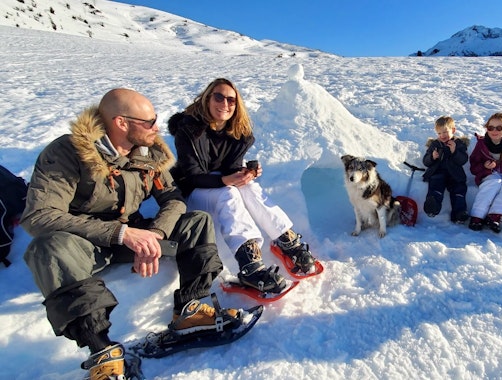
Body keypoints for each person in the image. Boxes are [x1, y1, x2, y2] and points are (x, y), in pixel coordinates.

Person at [21, 89, 242, 380]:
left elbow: (173, 199)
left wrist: (154, 233)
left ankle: (192, 309)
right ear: (121, 123)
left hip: (134, 233)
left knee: (196, 221)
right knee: (48, 248)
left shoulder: (148, 153)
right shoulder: (68, 151)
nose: (156, 128)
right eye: (149, 122)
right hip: (83, 244)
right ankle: (101, 350)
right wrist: (121, 234)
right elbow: (39, 217)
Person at [167, 78, 317, 294]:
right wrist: (224, 181)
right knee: (228, 193)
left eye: (231, 100)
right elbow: (191, 176)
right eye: (218, 97)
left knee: (250, 188)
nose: (225, 104)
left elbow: (230, 168)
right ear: (207, 98)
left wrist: (247, 173)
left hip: (217, 185)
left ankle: (287, 242)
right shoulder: (189, 130)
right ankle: (250, 267)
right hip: (193, 193)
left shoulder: (237, 133)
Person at [421, 116, 470, 223]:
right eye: (439, 133)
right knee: (435, 187)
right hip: (438, 172)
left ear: (453, 130)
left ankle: (459, 213)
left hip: (455, 175)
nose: (442, 136)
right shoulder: (435, 144)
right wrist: (432, 157)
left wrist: (454, 151)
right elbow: (425, 161)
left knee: (459, 190)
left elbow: (463, 160)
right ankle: (432, 206)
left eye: (445, 132)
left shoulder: (458, 144)